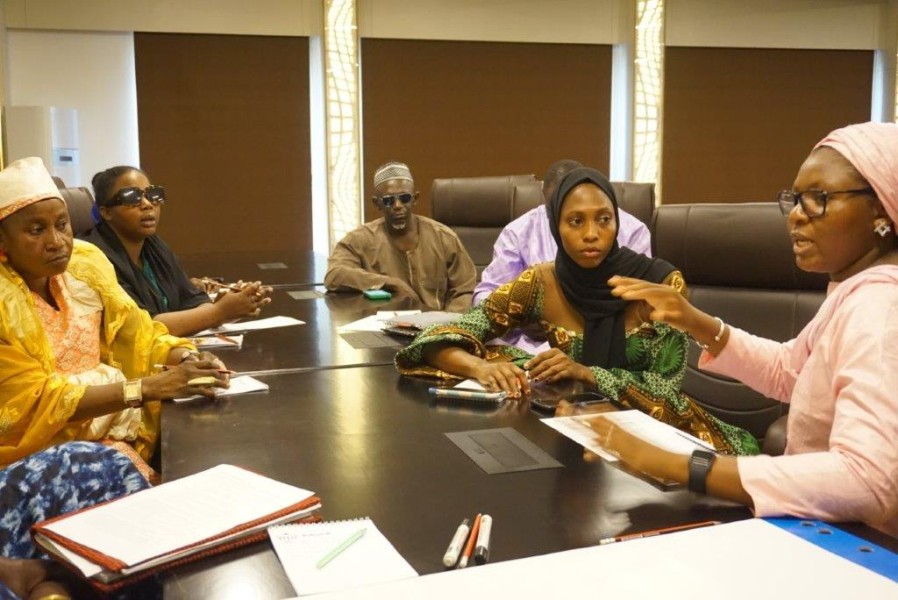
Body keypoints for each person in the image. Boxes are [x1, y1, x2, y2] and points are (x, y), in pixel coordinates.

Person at [594, 122, 898, 535]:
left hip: (862, 553)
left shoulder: (880, 309)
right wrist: (696, 321)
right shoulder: (854, 293)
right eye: (795, 199)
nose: (795, 215)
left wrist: (686, 466)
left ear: (881, 208)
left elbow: (868, 480)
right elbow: (790, 373)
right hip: (825, 527)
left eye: (818, 199)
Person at [396, 166, 758, 455]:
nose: (591, 234)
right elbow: (438, 339)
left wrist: (586, 373)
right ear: (556, 226)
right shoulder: (540, 283)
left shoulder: (660, 285)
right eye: (576, 222)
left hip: (663, 436)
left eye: (604, 219)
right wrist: (481, 366)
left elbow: (665, 393)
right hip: (574, 435)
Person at [0, 157, 230, 475]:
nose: (56, 242)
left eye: (62, 225)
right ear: (2, 241)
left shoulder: (84, 269)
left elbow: (139, 333)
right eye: (36, 230)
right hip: (42, 459)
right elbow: (33, 402)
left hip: (111, 434)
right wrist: (146, 388)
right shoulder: (2, 305)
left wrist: (186, 357)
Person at [473, 160, 652, 353]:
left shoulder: (633, 231)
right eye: (556, 207)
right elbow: (485, 301)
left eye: (604, 220)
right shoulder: (519, 237)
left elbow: (643, 304)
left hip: (610, 349)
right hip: (528, 353)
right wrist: (522, 315)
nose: (590, 234)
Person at [81, 166, 272, 337]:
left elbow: (192, 299)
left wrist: (225, 308)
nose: (147, 204)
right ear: (105, 212)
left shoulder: (153, 245)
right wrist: (218, 313)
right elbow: (140, 328)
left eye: (153, 194)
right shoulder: (94, 258)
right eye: (132, 197)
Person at [324, 161, 477, 312]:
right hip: (383, 328)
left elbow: (465, 290)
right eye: (389, 201)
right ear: (377, 204)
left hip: (437, 329)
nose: (397, 206)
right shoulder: (359, 239)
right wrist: (388, 282)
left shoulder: (444, 238)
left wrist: (450, 326)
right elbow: (335, 275)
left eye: (404, 198)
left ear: (415, 199)